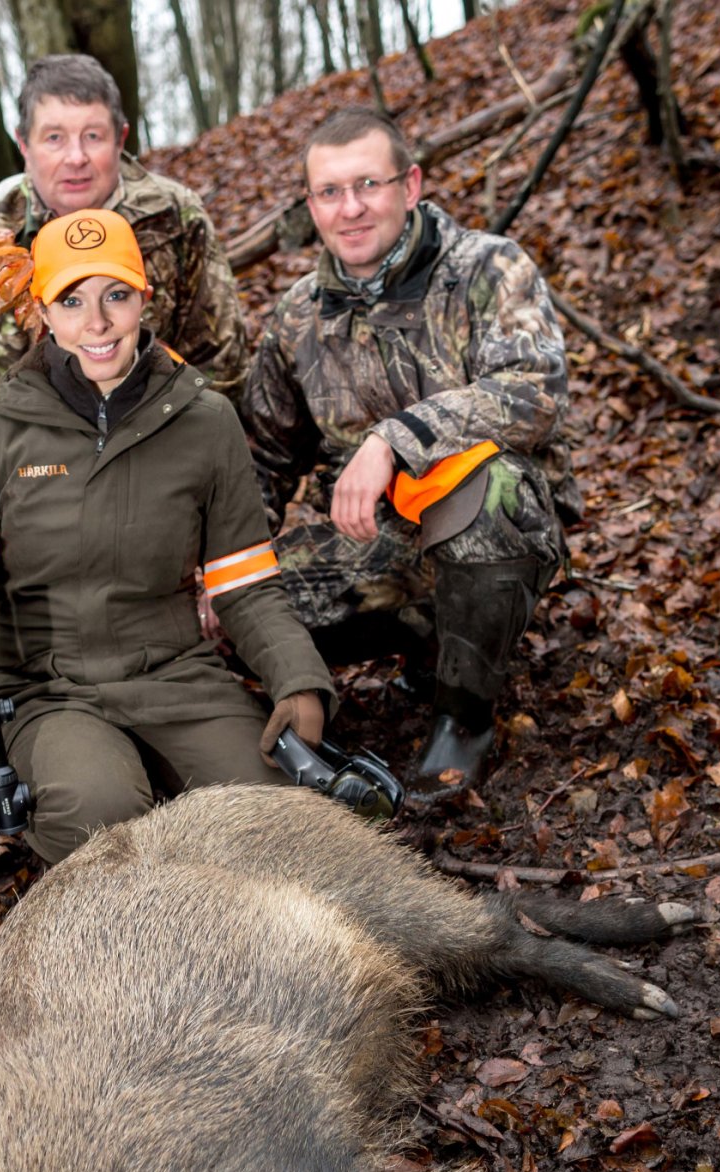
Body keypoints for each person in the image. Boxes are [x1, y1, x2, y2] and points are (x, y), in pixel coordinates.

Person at [0, 209, 332, 866]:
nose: (96, 323)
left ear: (143, 299)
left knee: (283, 814)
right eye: (72, 300)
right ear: (43, 310)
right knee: (101, 818)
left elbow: (247, 585)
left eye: (115, 296)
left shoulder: (205, 421)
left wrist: (298, 680)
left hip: (178, 675)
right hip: (46, 688)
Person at [242, 108, 582, 795]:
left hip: (491, 530)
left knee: (493, 493)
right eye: (329, 192)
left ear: (411, 184)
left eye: (367, 183)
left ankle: (462, 716)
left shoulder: (487, 267)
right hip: (372, 543)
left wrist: (393, 439)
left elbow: (534, 390)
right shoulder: (300, 313)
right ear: (310, 206)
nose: (350, 208)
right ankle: (399, 662)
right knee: (236, 607)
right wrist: (216, 568)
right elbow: (262, 459)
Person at [0, 54, 248, 444]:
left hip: (159, 457)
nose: (76, 158)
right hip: (21, 469)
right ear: (23, 143)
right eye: (54, 138)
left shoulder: (174, 217)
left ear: (121, 137)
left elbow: (221, 363)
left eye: (93, 136)